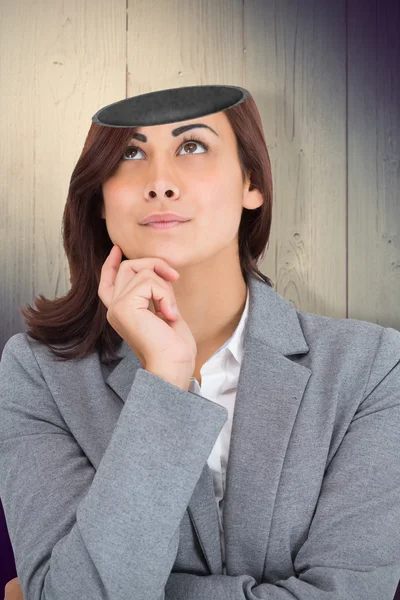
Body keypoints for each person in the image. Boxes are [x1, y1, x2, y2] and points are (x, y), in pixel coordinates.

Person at [1, 85, 400, 600]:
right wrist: (164, 380)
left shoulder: (371, 369)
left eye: (192, 147)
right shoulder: (38, 374)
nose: (160, 183)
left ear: (251, 182)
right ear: (99, 197)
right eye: (130, 152)